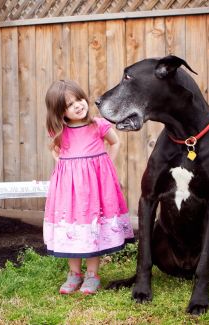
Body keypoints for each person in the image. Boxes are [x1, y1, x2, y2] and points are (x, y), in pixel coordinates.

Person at [43, 79, 134, 295]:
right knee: (74, 229)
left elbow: (116, 142)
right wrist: (63, 165)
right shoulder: (60, 130)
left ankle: (92, 275)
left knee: (92, 227)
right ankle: (74, 274)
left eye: (79, 99)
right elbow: (54, 150)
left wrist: (106, 166)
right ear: (60, 112)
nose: (77, 105)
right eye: (69, 104)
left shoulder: (98, 125)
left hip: (96, 189)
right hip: (70, 191)